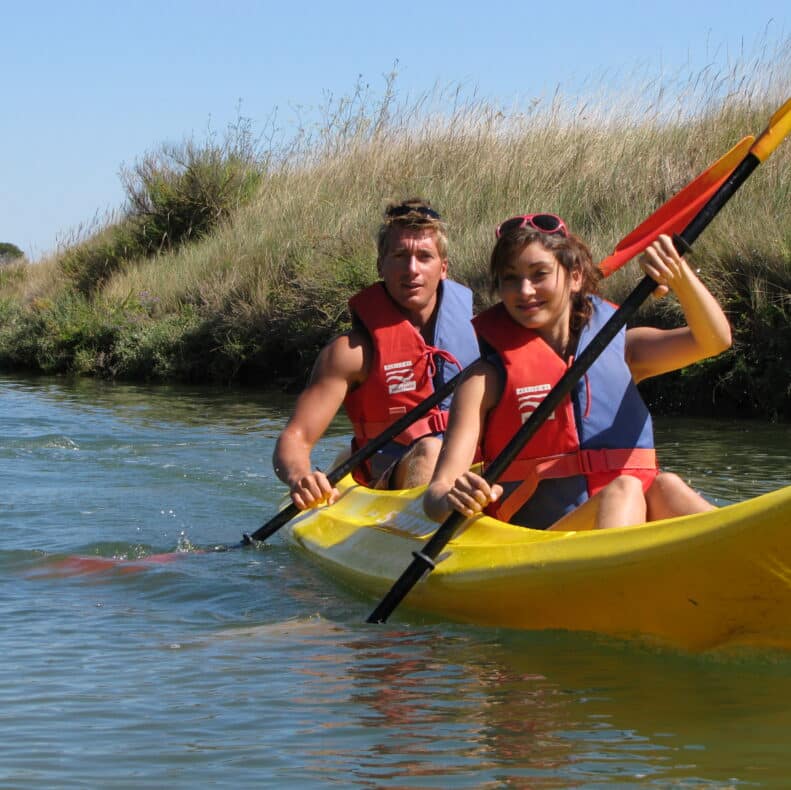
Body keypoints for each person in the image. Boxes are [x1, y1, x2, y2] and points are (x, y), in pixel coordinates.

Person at [423, 212, 732, 531]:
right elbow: (434, 498)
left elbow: (714, 341)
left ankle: (742, 552)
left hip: (620, 527)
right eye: (510, 278)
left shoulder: (623, 349)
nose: (524, 290)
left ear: (575, 277)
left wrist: (679, 277)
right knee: (624, 491)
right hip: (539, 541)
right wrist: (453, 499)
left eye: (539, 274)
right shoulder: (483, 379)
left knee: (665, 486)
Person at [274, 198, 479, 510]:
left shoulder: (482, 339)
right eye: (400, 256)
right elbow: (296, 437)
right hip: (391, 473)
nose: (412, 270)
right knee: (430, 451)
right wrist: (301, 477)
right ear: (380, 265)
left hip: (469, 470)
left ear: (443, 268)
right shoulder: (351, 353)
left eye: (424, 257)